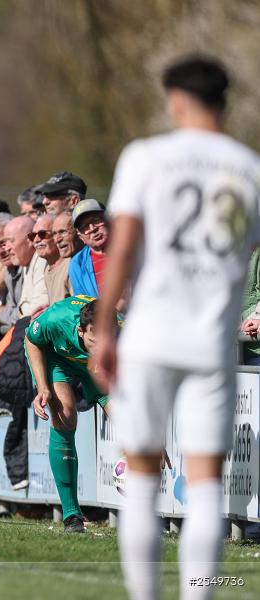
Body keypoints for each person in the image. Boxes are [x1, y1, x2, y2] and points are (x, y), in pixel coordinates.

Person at [91, 55, 260, 600]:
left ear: (176, 100)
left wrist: (105, 326)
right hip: (213, 341)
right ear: (224, 101)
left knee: (141, 478)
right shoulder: (249, 168)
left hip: (150, 337)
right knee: (207, 487)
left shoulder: (146, 158)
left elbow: (123, 246)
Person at [26, 297, 113, 533]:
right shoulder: (57, 319)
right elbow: (31, 340)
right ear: (80, 330)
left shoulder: (125, 332)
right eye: (94, 340)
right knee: (65, 414)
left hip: (99, 368)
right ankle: (72, 515)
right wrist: (42, 386)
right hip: (59, 358)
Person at [68, 199, 109, 297]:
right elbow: (83, 303)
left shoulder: (128, 247)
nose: (92, 228)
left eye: (96, 220)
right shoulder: (77, 264)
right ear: (80, 236)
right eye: (85, 227)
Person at [31, 213, 70, 304]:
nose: (36, 240)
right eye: (32, 236)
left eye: (42, 234)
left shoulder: (70, 266)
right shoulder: (47, 270)